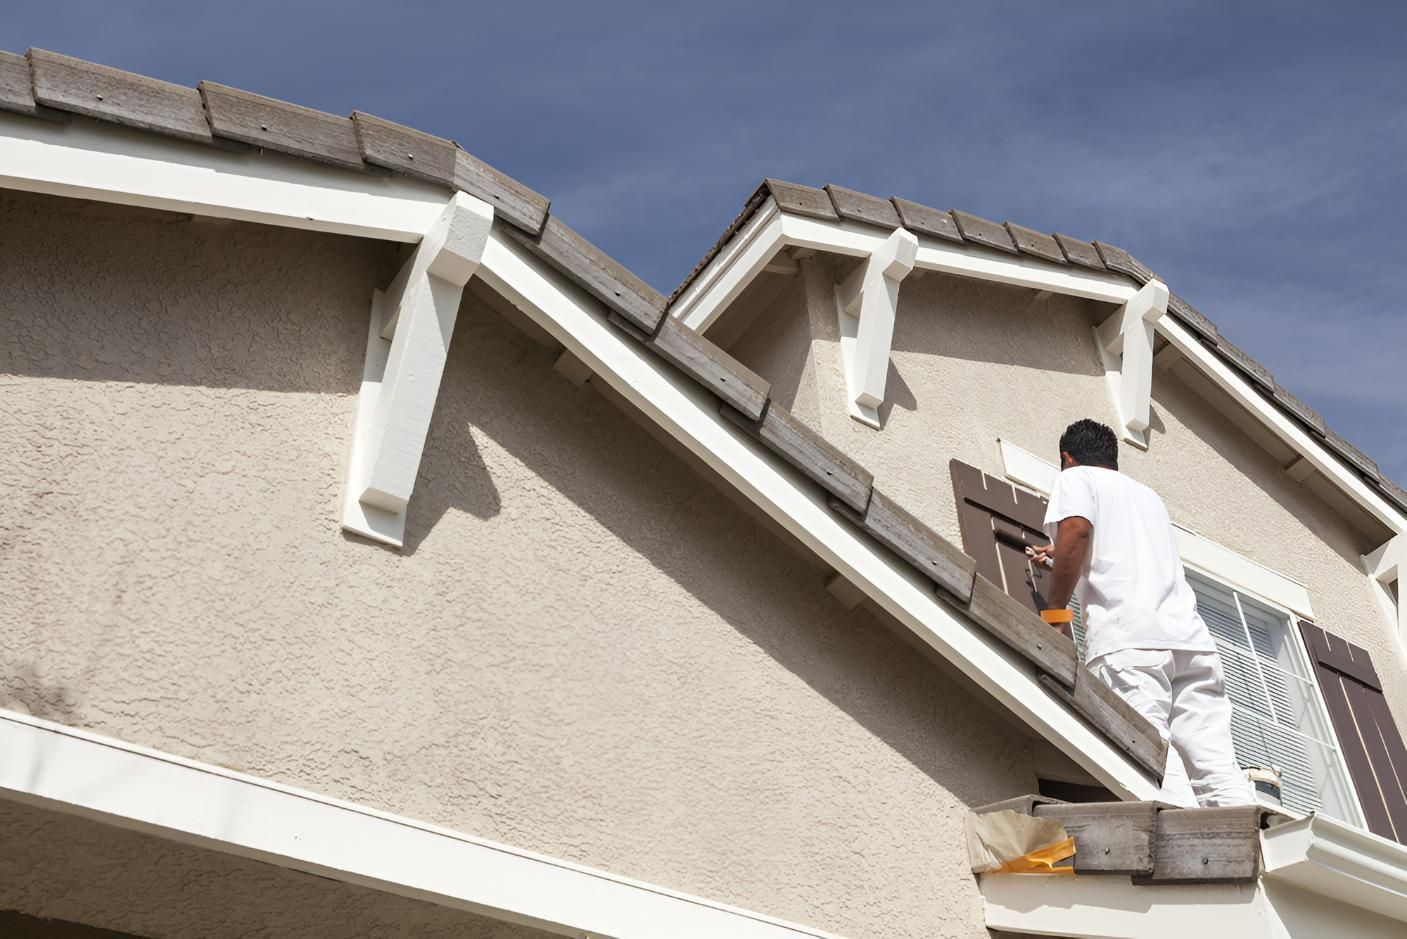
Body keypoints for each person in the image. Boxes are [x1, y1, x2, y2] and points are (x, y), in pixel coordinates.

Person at [1029, 419, 1253, 808]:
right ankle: (1254, 853)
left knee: (1151, 757)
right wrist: (1065, 558)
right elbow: (1122, 553)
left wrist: (1055, 611)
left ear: (1068, 458)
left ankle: (1186, 854)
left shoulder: (1074, 478)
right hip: (1190, 643)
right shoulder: (1148, 497)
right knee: (1215, 766)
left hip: (1132, 643)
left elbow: (1078, 530)